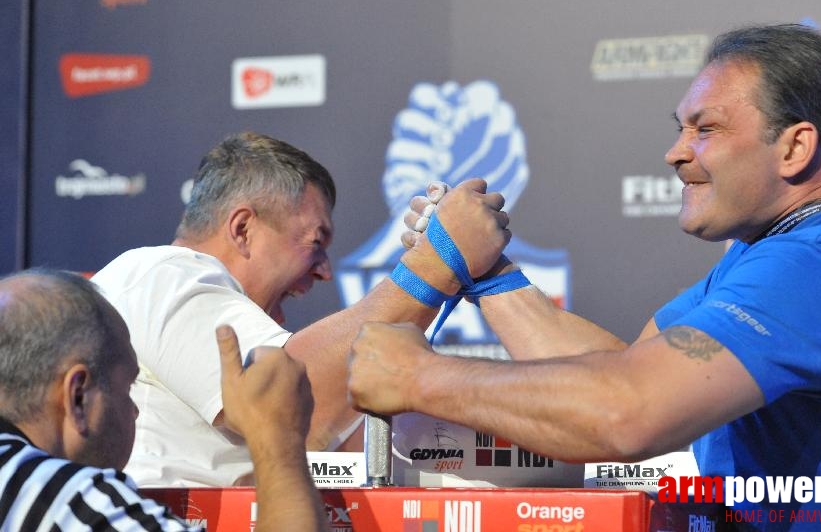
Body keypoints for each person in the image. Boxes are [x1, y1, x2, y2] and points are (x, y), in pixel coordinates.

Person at [347, 24, 821, 527]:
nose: (675, 153)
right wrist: (487, 274)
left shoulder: (816, 265)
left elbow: (626, 411)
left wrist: (417, 376)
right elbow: (627, 368)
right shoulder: (798, 243)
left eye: (705, 129)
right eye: (681, 128)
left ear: (795, 147)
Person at [90, 131, 510, 486]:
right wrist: (437, 262)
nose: (325, 271)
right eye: (314, 242)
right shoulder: (158, 274)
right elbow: (291, 414)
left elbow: (340, 446)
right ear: (242, 229)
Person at [0, 268, 327, 531]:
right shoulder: (72, 499)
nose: (136, 410)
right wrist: (276, 436)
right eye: (127, 388)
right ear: (78, 396)